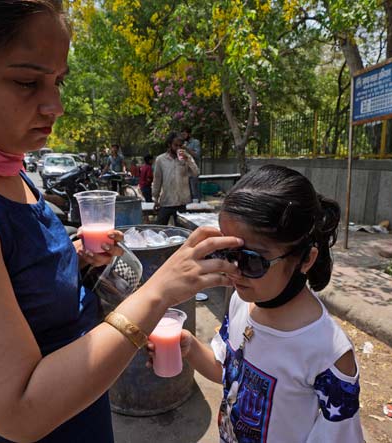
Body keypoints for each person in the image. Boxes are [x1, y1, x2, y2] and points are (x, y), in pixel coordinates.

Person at [0, 2, 242, 441]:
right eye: (26, 82)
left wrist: (74, 261)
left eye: (58, 81)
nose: (55, 105)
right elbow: (21, 410)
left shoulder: (2, 167)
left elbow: (14, 283)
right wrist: (158, 292)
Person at [148, 165, 364, 443]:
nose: (233, 269)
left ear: (306, 260)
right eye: (227, 252)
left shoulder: (328, 353)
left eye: (251, 260)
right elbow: (227, 371)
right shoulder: (241, 301)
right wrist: (189, 346)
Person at [152, 131, 199, 226]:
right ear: (169, 144)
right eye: (175, 145)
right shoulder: (160, 160)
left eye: (180, 146)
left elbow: (196, 173)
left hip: (181, 202)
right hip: (166, 201)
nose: (178, 148)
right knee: (159, 228)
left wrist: (188, 160)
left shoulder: (186, 158)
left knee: (181, 231)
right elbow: (157, 180)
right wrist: (155, 199)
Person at [181, 127, 201, 203]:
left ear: (189, 134)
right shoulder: (182, 143)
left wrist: (186, 149)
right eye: (182, 134)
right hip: (184, 171)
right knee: (187, 193)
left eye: (184, 134)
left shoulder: (195, 142)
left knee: (194, 191)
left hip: (193, 171)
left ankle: (197, 208)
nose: (183, 136)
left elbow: (197, 155)